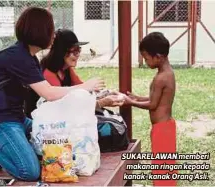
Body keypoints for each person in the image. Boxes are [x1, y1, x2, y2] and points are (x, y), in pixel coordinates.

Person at [0, 7, 104, 181]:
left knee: (58, 145)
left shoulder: (28, 57)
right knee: (29, 171)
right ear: (40, 31)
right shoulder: (18, 56)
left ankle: (9, 147)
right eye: (51, 30)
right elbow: (48, 93)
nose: (53, 36)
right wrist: (84, 87)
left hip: (18, 119)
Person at [124, 32, 177, 186]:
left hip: (163, 130)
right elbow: (156, 100)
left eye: (146, 58)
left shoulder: (162, 78)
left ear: (158, 56)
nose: (145, 62)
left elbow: (153, 105)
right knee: (162, 168)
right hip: (163, 127)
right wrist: (137, 97)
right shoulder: (165, 73)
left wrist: (130, 102)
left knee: (162, 171)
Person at [39, 29, 124, 110]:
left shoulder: (66, 69)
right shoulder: (48, 73)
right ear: (61, 52)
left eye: (79, 50)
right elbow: (65, 107)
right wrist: (102, 103)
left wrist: (106, 93)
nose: (78, 55)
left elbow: (84, 91)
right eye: (74, 51)